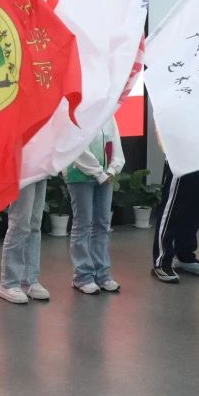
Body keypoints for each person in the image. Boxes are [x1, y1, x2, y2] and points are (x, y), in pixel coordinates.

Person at [65, 118, 125, 295]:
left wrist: (113, 169)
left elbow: (116, 142)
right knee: (82, 224)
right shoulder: (75, 111)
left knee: (102, 224)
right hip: (79, 175)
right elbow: (76, 146)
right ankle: (82, 276)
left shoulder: (109, 112)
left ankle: (102, 274)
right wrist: (98, 172)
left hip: (106, 175)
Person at [151, 163, 199, 283]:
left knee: (195, 205)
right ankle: (162, 261)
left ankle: (184, 257)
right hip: (180, 158)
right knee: (172, 207)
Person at [0, 176, 49, 304]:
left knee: (34, 225)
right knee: (19, 224)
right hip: (23, 171)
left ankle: (29, 280)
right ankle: (9, 283)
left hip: (41, 170)